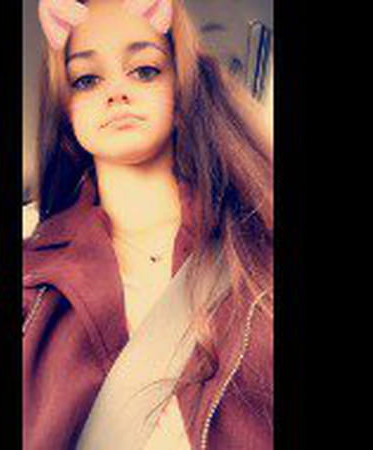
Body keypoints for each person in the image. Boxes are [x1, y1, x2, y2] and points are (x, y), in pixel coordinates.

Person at [23, 0, 273, 449]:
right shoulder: (31, 281)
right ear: (67, 110)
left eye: (144, 70)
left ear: (180, 92)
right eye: (87, 79)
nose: (116, 92)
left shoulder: (257, 245)